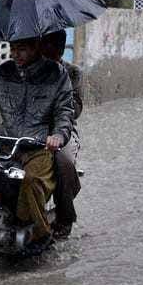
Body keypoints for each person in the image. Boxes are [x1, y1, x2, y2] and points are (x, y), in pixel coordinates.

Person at [0, 37, 74, 255]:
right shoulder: (3, 73)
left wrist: (58, 135)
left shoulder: (57, 74)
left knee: (31, 180)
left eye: (22, 49)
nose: (15, 54)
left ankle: (40, 232)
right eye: (13, 49)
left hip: (37, 147)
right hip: (5, 145)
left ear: (36, 48)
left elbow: (64, 112)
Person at [41, 30, 83, 239]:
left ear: (59, 49)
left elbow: (74, 109)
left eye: (51, 49)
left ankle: (65, 217)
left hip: (63, 132)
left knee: (63, 163)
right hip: (30, 131)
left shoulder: (72, 73)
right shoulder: (29, 71)